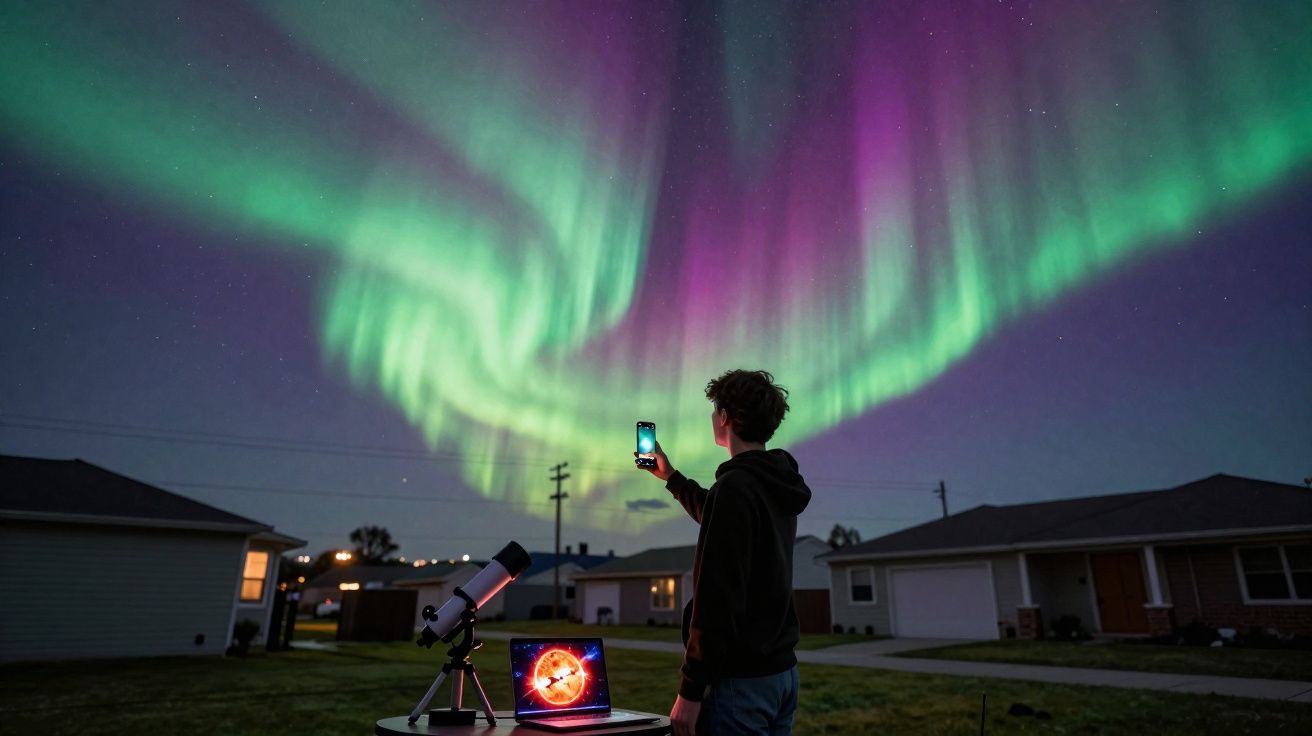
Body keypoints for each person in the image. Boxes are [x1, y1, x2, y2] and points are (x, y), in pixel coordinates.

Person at [636, 369, 812, 736]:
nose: (713, 417)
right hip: (781, 676)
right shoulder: (773, 482)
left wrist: (691, 690)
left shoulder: (736, 488)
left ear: (727, 417)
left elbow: (717, 599)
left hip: (740, 685)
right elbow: (716, 513)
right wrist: (671, 477)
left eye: (716, 409)